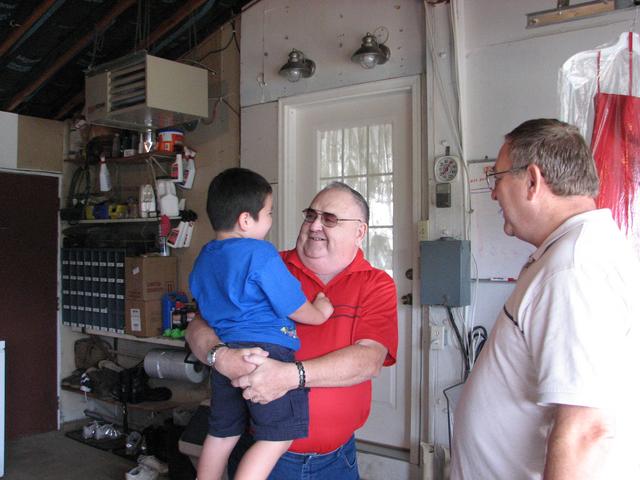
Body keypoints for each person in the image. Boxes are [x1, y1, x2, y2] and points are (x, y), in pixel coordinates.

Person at [451, 119, 640, 479]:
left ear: (532, 181)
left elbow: (586, 431)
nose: (494, 193)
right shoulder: (576, 252)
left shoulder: (574, 268)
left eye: (497, 177)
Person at [187, 181, 399, 480]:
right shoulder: (266, 262)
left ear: (359, 231)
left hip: (336, 462)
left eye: (330, 219)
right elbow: (197, 327)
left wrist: (288, 376)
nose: (315, 225)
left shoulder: (376, 284)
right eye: (311, 215)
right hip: (261, 456)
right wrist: (220, 356)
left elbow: (369, 360)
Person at [189, 168, 335, 480]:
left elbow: (202, 305)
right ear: (246, 220)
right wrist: (320, 312)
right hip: (266, 355)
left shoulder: (205, 257)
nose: (270, 220)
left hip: (226, 358)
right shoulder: (261, 253)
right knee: (276, 437)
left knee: (222, 433)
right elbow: (291, 303)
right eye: (268, 213)